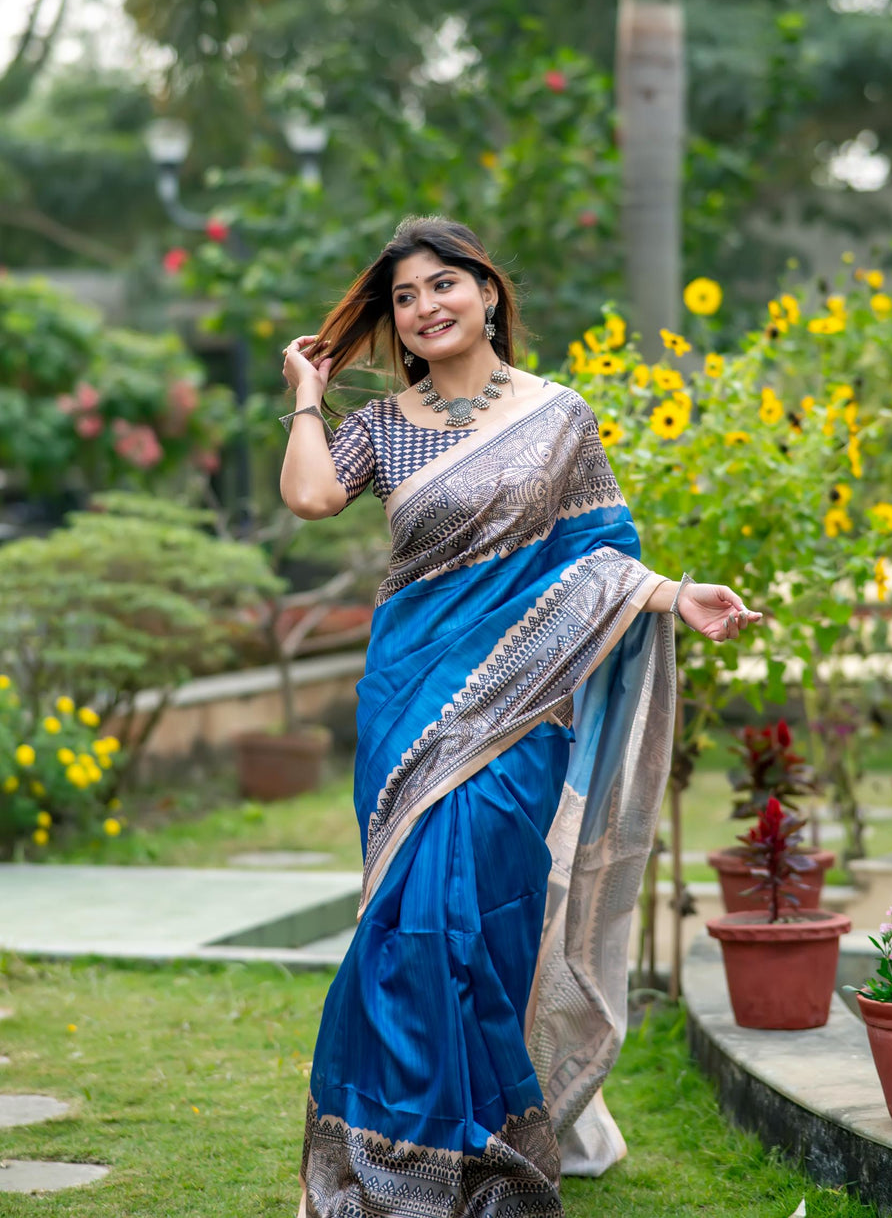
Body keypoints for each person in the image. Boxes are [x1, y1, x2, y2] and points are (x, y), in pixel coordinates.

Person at [279, 218, 760, 1218]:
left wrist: (678, 596)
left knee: (481, 924)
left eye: (444, 284)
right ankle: (402, 1158)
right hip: (407, 708)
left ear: (488, 293)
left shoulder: (558, 416)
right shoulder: (382, 422)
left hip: (521, 712)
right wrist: (310, 398)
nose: (426, 307)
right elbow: (314, 498)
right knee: (406, 931)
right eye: (406, 297)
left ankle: (491, 1152)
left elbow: (602, 554)